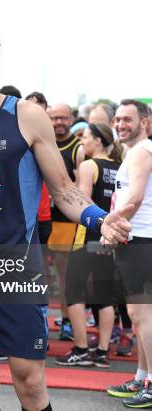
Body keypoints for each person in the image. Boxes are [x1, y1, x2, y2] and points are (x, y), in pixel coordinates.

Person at [0, 24, 132, 411]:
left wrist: (99, 219)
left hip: (15, 265)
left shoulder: (26, 116)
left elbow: (63, 189)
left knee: (27, 378)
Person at [56, 123, 122, 369]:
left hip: (87, 235)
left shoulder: (88, 166)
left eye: (84, 137)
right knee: (103, 296)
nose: (81, 141)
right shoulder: (119, 167)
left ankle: (81, 349)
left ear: (97, 140)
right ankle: (102, 352)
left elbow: (82, 204)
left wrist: (68, 188)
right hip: (109, 237)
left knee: (73, 291)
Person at [106, 99, 152, 408]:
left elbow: (134, 197)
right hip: (134, 240)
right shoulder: (134, 153)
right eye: (117, 119)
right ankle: (141, 375)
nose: (121, 124)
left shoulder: (141, 152)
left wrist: (108, 223)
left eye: (128, 119)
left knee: (141, 315)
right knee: (140, 316)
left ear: (145, 122)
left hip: (140, 240)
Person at [46, 102, 85, 342]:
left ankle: (68, 320)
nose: (59, 122)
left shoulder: (77, 149)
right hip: (41, 218)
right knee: (38, 273)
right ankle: (40, 319)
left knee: (64, 275)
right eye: (55, 118)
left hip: (64, 220)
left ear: (71, 119)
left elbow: (82, 188)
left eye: (63, 118)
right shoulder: (43, 143)